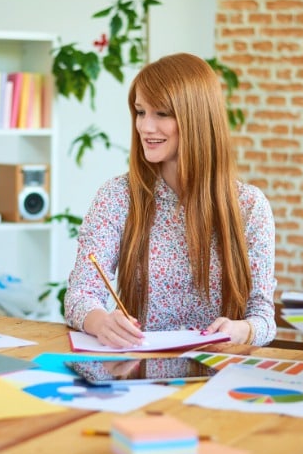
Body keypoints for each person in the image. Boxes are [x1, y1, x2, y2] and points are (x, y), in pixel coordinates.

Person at [64, 53, 277, 348]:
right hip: (139, 370)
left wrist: (241, 331)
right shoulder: (116, 196)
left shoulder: (250, 206)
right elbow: (80, 294)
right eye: (140, 112)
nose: (145, 127)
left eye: (161, 114)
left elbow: (264, 318)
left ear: (197, 118)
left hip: (218, 374)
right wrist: (102, 322)